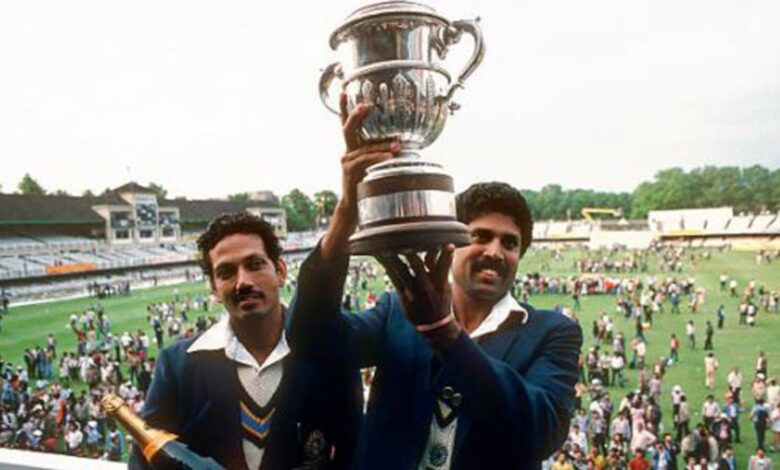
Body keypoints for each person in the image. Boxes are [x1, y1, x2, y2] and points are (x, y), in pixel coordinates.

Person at [290, 98, 583, 469]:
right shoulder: (397, 312)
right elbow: (311, 338)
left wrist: (444, 332)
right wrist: (349, 207)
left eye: (510, 243)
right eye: (481, 236)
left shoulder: (551, 331)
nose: (495, 251)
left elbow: (541, 430)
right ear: (452, 240)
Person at [130, 213, 360, 469]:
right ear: (214, 289)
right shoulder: (177, 366)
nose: (243, 282)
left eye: (255, 265)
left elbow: (352, 453)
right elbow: (144, 461)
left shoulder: (330, 351)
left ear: (280, 271)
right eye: (226, 272)